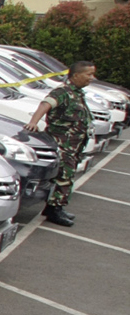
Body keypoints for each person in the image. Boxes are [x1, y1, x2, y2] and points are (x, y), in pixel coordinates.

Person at [24, 60, 96, 227]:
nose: (92, 78)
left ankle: (55, 207)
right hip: (62, 145)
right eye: (89, 74)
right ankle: (55, 210)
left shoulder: (77, 93)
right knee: (64, 177)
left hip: (73, 146)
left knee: (67, 176)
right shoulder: (63, 92)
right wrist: (34, 121)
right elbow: (46, 104)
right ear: (76, 75)